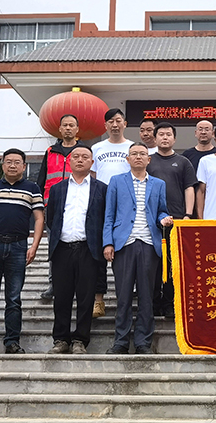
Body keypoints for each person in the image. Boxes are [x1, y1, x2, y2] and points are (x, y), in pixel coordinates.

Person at [0, 148, 44, 354]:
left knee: (14, 299)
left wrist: (34, 246)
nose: (13, 165)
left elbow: (39, 218)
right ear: (3, 165)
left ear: (24, 166)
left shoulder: (32, 188)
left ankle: (12, 342)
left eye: (17, 162)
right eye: (9, 161)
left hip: (18, 247)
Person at [104, 143, 173, 354]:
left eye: (142, 154)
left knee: (146, 296)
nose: (138, 157)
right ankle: (121, 342)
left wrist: (164, 219)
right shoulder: (116, 181)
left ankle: (143, 342)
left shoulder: (158, 184)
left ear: (148, 159)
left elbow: (161, 210)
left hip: (149, 244)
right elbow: (109, 214)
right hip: (124, 243)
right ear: (127, 159)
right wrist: (108, 242)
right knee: (123, 296)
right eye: (134, 154)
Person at [45, 145, 106, 355]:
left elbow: (104, 218)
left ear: (92, 162)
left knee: (86, 298)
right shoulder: (58, 189)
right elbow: (51, 218)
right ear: (70, 161)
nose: (80, 160)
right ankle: (61, 339)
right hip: (62, 248)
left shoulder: (102, 188)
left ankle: (80, 340)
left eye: (85, 157)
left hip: (89, 249)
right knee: (61, 297)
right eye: (76, 156)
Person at [148, 122, 197, 318]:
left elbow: (189, 188)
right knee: (153, 264)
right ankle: (153, 303)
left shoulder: (183, 162)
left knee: (172, 264)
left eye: (168, 134)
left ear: (174, 139)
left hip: (177, 220)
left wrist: (188, 214)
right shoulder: (148, 160)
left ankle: (169, 303)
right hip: (152, 222)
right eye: (161, 134)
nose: (165, 137)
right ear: (155, 138)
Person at [90, 108, 133, 318]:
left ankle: (127, 295)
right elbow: (92, 176)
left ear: (125, 123)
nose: (114, 125)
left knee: (126, 250)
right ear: (105, 125)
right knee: (99, 251)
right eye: (110, 122)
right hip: (101, 202)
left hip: (126, 204)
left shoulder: (132, 147)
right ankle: (98, 299)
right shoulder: (97, 148)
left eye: (118, 120)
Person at [38, 114, 82, 300]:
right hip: (53, 207)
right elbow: (41, 179)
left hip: (77, 205)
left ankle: (77, 284)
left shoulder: (82, 152)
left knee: (79, 247)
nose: (68, 128)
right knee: (54, 247)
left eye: (72, 125)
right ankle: (54, 284)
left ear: (77, 129)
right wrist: (39, 205)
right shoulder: (50, 151)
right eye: (65, 125)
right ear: (60, 129)